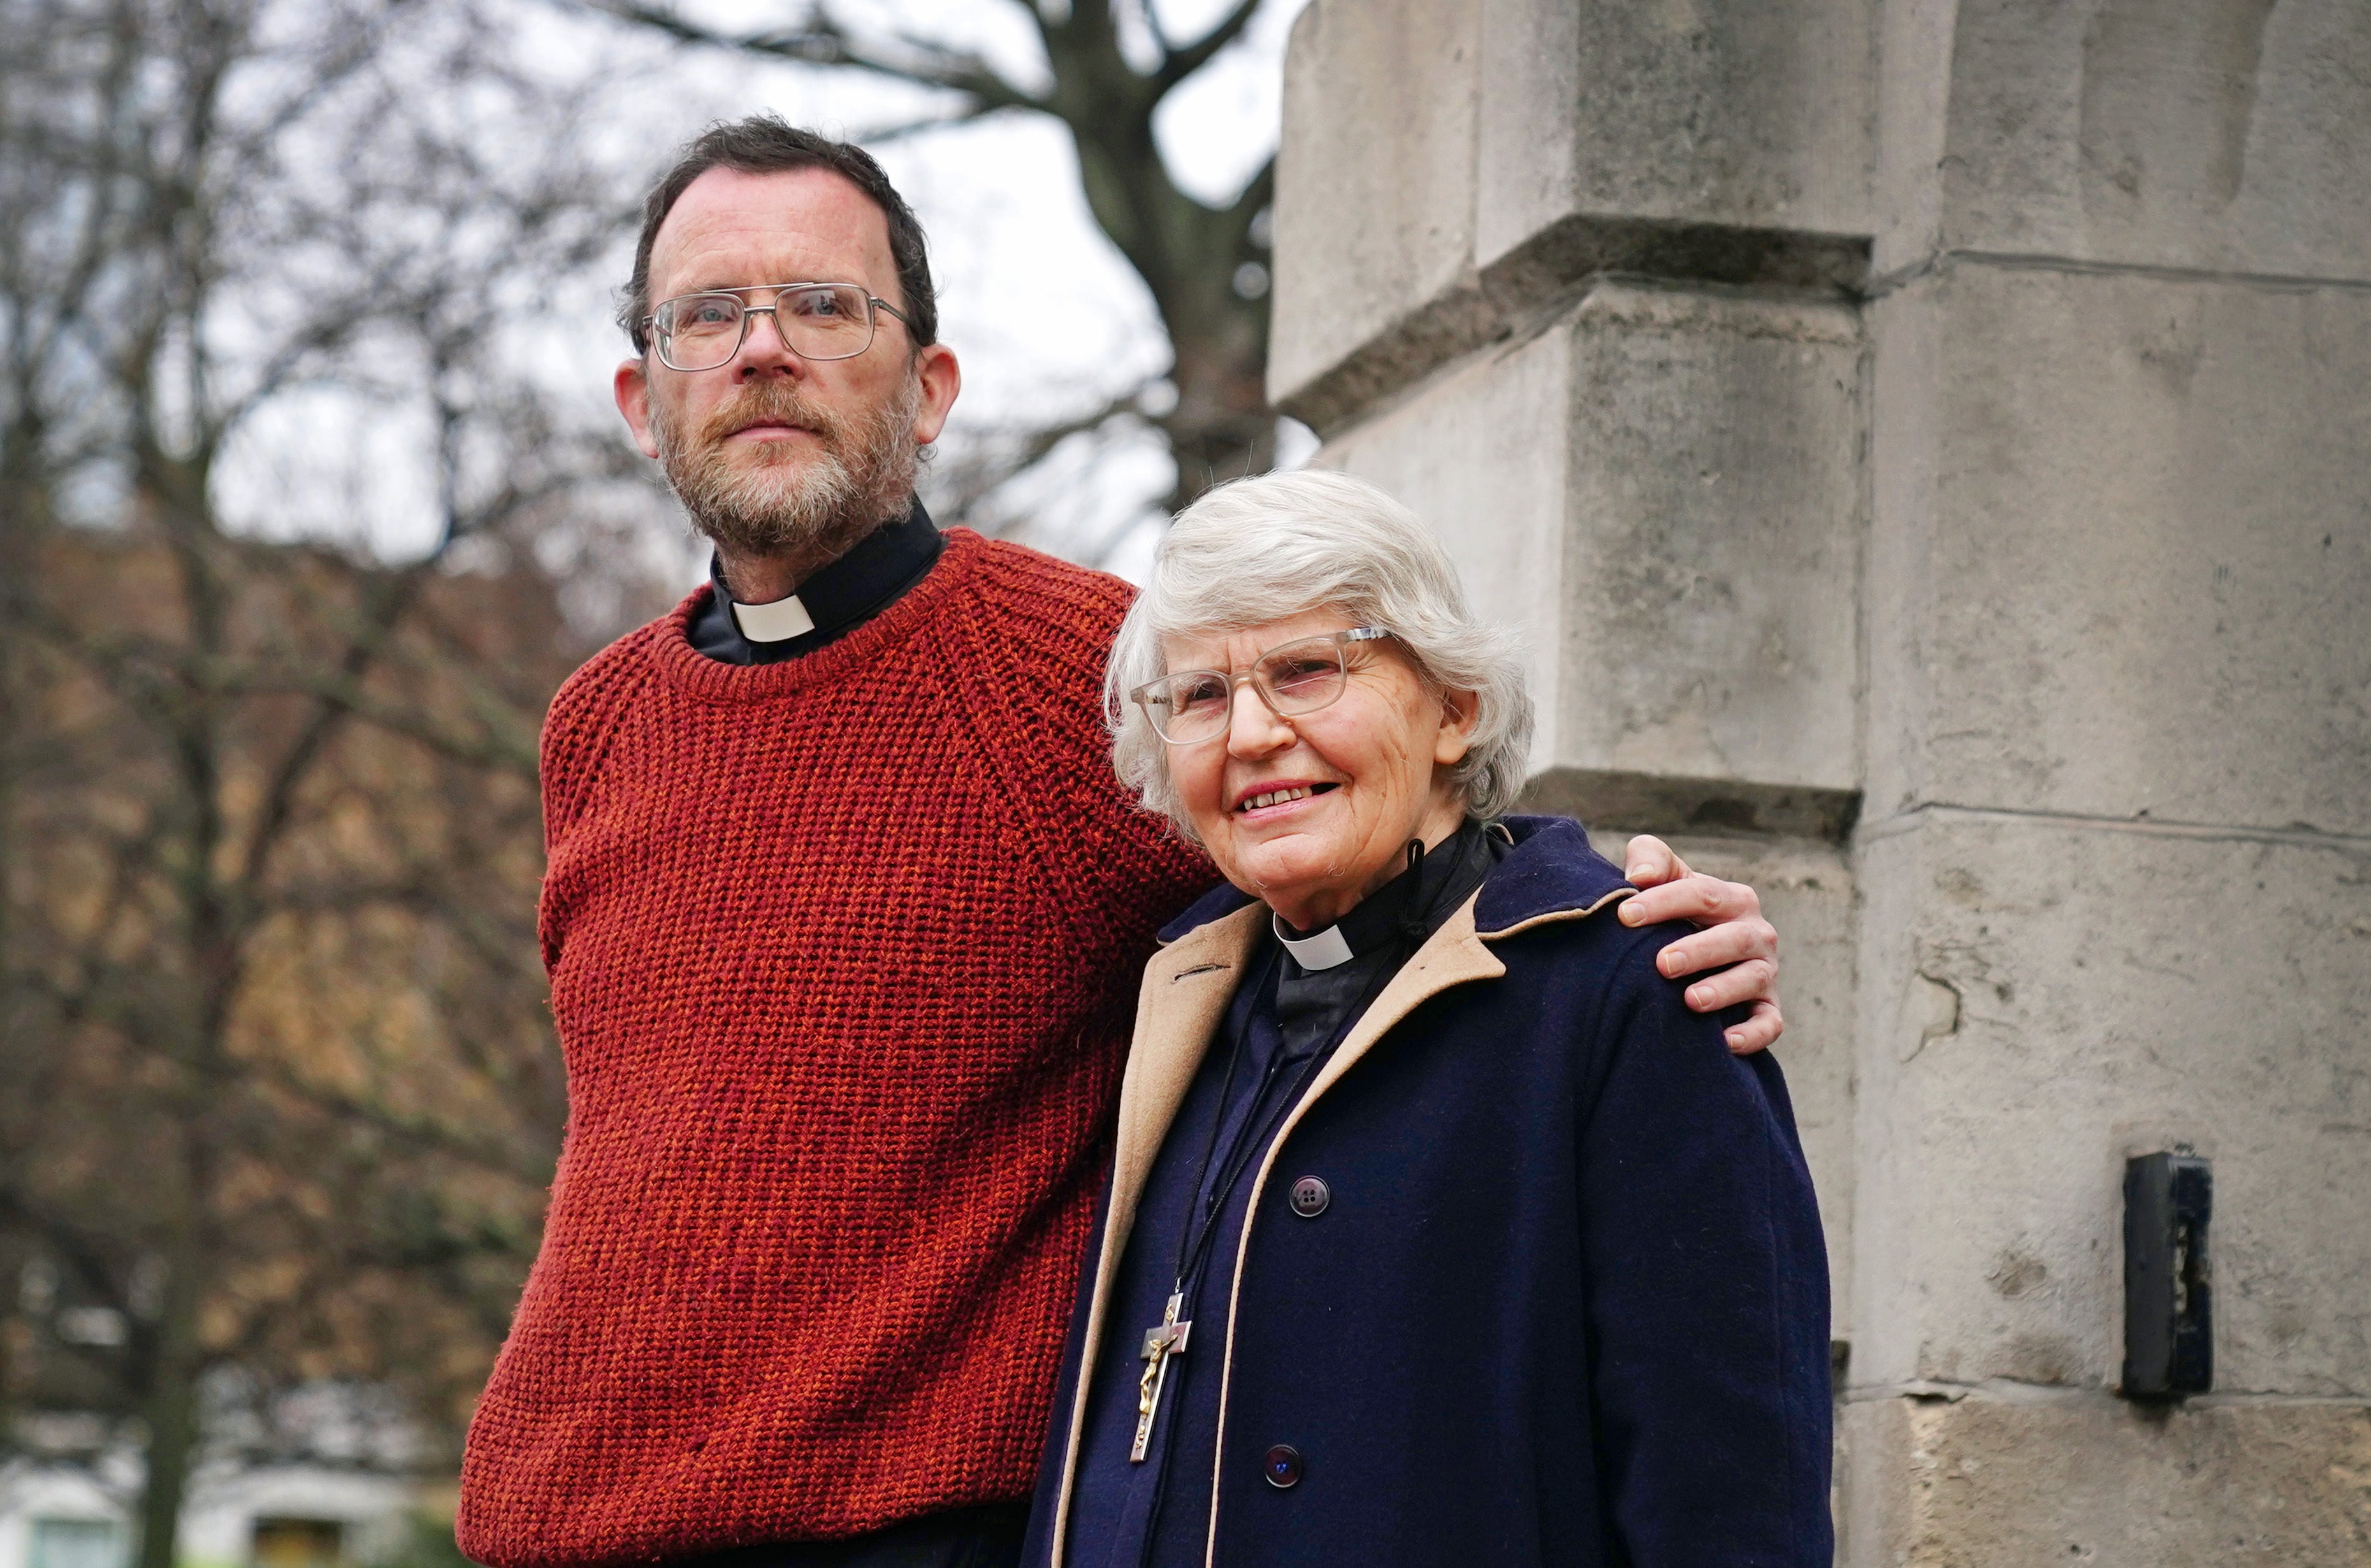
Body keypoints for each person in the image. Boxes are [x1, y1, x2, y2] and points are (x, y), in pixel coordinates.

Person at [454, 117, 1792, 1568]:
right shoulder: (594, 725)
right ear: (643, 398)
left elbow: (1338, 840)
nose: (763, 348)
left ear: (931, 388)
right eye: (708, 314)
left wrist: (1613, 916)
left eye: (827, 305)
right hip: (566, 1523)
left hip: (907, 1529)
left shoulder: (1072, 674)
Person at [1022, 470, 1831, 1568]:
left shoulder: (1633, 992)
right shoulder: (1178, 1000)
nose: (1251, 733)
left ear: (1455, 709)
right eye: (1201, 697)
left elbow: (1731, 1508)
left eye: (1308, 670)